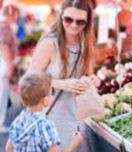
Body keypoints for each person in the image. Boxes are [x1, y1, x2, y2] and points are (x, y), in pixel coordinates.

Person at [28, 0, 94, 151]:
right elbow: (30, 78)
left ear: (87, 22)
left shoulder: (85, 41)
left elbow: (88, 72)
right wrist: (61, 84)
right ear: (61, 16)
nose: (74, 25)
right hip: (50, 115)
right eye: (68, 19)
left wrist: (90, 79)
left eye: (80, 22)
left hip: (76, 115)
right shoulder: (50, 43)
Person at [5, 71, 82, 152]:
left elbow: (8, 149)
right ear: (45, 100)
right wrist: (74, 143)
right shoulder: (46, 126)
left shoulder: (18, 121)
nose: (52, 95)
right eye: (51, 92)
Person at [0, 4, 18, 133]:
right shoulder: (5, 27)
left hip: (3, 63)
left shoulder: (4, 26)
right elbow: (4, 47)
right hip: (4, 64)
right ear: (12, 14)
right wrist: (10, 66)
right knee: (2, 95)